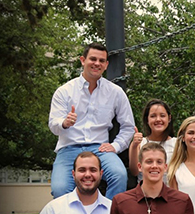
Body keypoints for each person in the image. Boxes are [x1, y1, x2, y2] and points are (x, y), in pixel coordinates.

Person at [49, 42, 135, 200]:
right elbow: (53, 125)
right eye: (93, 59)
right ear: (83, 60)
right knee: (59, 189)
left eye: (102, 61)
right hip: (69, 148)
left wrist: (115, 146)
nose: (97, 63)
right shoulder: (64, 91)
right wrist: (64, 123)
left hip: (100, 148)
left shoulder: (116, 92)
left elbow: (128, 127)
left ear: (106, 64)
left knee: (120, 175)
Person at [128, 99, 176, 184]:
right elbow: (135, 172)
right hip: (145, 194)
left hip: (171, 193)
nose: (158, 119)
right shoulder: (139, 143)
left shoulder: (177, 144)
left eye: (162, 115)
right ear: (147, 119)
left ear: (169, 118)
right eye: (153, 116)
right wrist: (135, 146)